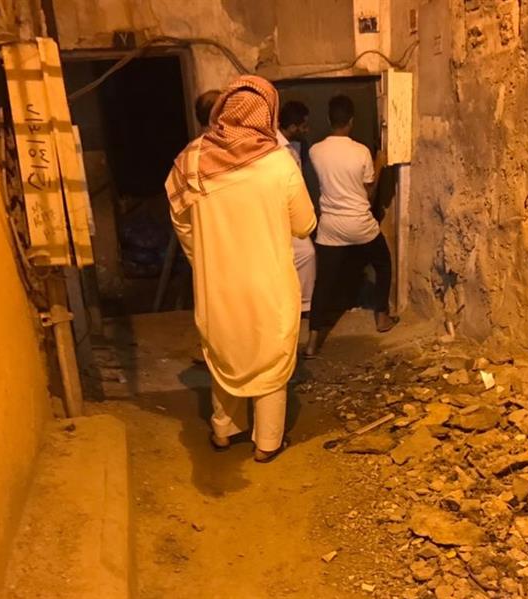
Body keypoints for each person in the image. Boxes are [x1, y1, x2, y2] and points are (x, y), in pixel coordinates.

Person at [165, 75, 316, 462]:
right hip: (269, 281)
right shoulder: (278, 162)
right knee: (271, 355)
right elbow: (304, 224)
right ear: (269, 113)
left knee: (225, 351)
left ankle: (224, 430)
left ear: (223, 111)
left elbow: (181, 220)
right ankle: (267, 443)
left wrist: (202, 258)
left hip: (217, 283)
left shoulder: (191, 160)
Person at [305, 95, 397, 358]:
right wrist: (379, 163)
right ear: (351, 121)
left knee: (323, 282)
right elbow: (369, 193)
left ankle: (312, 342)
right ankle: (382, 317)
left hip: (330, 227)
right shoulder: (361, 152)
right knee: (383, 263)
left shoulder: (315, 151)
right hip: (360, 224)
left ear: (329, 119)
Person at [277, 100, 316, 316]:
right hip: (279, 212)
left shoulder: (296, 145)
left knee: (306, 254)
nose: (307, 130)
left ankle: (303, 305)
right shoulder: (275, 148)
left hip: (294, 210)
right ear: (292, 127)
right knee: (304, 253)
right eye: (304, 126)